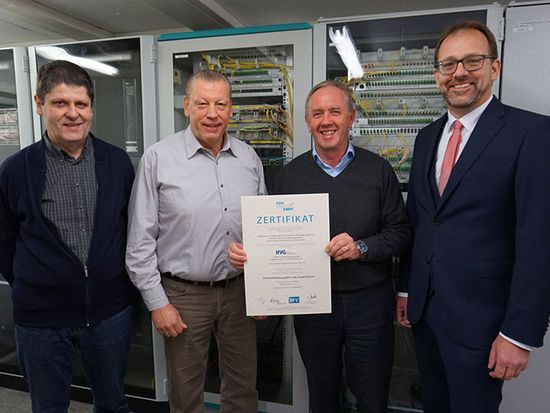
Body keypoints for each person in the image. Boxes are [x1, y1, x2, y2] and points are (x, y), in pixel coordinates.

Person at [395, 20, 550, 413]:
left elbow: (539, 240)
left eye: (472, 61)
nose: (459, 72)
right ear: (437, 75)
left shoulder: (531, 133)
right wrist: (407, 289)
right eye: (448, 64)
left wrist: (519, 334)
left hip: (484, 322)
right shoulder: (427, 137)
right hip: (426, 314)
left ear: (494, 67)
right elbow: (420, 221)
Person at [230, 80, 411, 413]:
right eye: (317, 114)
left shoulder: (378, 171)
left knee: (372, 397)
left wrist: (361, 247)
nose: (326, 121)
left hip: (369, 304)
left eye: (335, 112)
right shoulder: (290, 176)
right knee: (322, 395)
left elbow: (400, 233)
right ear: (307, 122)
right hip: (313, 308)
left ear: (350, 118)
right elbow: (274, 239)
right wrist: (254, 260)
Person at [126, 69, 266, 413]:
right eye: (203, 104)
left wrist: (265, 289)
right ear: (187, 106)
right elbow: (139, 241)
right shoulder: (158, 159)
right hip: (183, 296)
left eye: (221, 104)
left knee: (243, 389)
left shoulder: (248, 159)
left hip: (240, 293)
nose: (212, 114)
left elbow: (264, 229)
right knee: (186, 395)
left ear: (231, 108)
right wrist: (157, 304)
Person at [0, 60, 135, 412]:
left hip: (108, 313)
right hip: (41, 321)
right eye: (60, 103)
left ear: (91, 108)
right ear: (39, 104)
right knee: (49, 407)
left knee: (113, 404)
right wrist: (39, 282)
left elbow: (130, 230)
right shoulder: (15, 171)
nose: (73, 113)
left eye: (81, 104)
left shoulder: (117, 163)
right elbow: (4, 244)